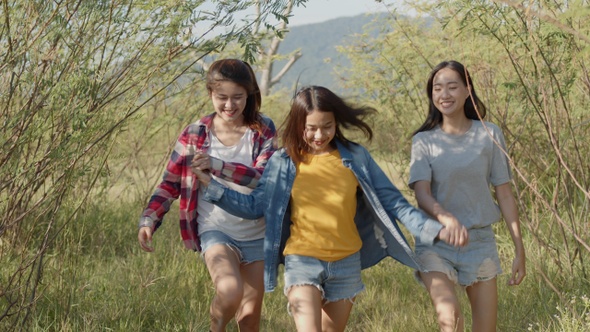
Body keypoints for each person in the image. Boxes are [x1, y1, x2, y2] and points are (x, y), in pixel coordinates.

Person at [191, 85, 465, 332]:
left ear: (336, 124)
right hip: (302, 261)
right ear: (299, 124)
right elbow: (254, 206)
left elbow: (393, 202)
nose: (319, 135)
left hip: (346, 265)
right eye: (311, 128)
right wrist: (212, 187)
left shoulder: (355, 157)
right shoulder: (284, 162)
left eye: (327, 126)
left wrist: (434, 229)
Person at [137, 58, 277, 332]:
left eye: (238, 97)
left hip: (257, 233)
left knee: (249, 319)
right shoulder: (195, 134)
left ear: (249, 95)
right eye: (221, 97)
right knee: (229, 291)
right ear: (210, 94)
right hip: (215, 229)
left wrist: (217, 166)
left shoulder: (263, 129)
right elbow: (169, 184)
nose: (229, 105)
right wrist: (148, 220)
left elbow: (262, 176)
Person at [408, 60, 526, 332]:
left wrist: (519, 249)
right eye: (437, 88)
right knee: (450, 319)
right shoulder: (423, 141)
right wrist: (446, 218)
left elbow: (505, 194)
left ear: (467, 90)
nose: (444, 94)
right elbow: (422, 194)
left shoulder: (489, 133)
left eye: (452, 87)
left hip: (479, 241)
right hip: (435, 241)